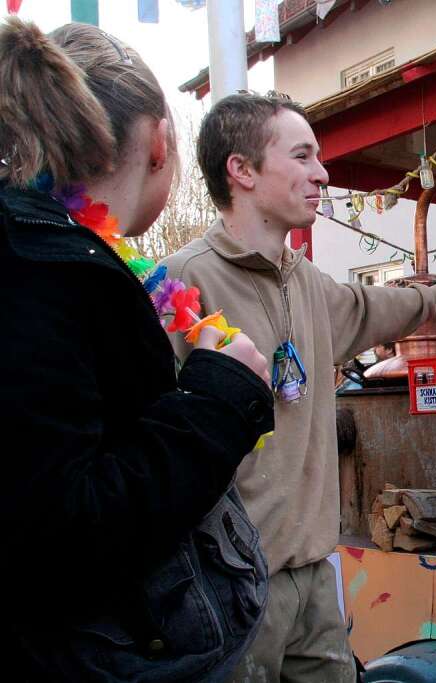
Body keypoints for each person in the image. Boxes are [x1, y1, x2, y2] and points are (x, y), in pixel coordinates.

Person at [161, 91, 436, 682]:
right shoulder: (186, 279)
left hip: (316, 569)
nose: (322, 172)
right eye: (302, 155)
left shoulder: (306, 279)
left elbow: (373, 307)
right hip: (234, 579)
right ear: (242, 170)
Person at [0, 18, 274, 680]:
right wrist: (218, 400)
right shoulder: (42, 274)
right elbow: (61, 531)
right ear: (160, 144)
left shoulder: (78, 254)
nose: (319, 172)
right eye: (300, 155)